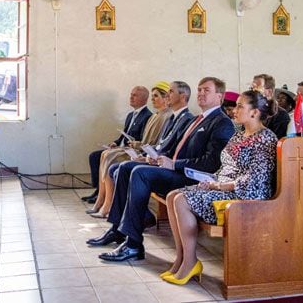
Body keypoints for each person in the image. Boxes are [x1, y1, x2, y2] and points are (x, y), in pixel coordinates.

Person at [91, 77, 234, 262]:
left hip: (195, 179)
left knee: (139, 173)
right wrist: (159, 159)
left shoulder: (222, 122)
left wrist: (174, 164)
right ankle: (118, 230)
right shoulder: (199, 119)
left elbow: (212, 162)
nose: (200, 94)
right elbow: (175, 147)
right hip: (179, 170)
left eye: (206, 90)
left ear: (220, 97)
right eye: (199, 90)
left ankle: (133, 245)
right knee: (126, 167)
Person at [162, 90, 278, 285]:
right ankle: (182, 258)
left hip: (245, 197)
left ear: (255, 112)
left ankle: (190, 262)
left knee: (182, 200)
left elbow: (255, 180)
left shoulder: (265, 139)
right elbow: (225, 167)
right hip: (223, 186)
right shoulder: (239, 135)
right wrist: (210, 181)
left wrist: (219, 185)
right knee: (172, 196)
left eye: (241, 106)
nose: (234, 110)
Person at [88, 81, 172, 217]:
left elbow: (157, 143)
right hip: (141, 150)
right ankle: (101, 200)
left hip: (148, 154)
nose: (153, 99)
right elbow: (145, 140)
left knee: (111, 160)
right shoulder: (156, 115)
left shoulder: (166, 116)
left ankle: (107, 205)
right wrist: (136, 144)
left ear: (166, 98)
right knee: (105, 154)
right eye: (152, 96)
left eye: (156, 96)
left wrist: (139, 148)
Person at [81, 86, 153, 203]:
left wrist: (129, 145)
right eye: (131, 94)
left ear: (144, 99)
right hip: (120, 148)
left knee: (106, 156)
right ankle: (99, 190)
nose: (131, 97)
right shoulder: (131, 115)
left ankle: (103, 195)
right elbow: (124, 135)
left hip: (131, 150)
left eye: (135, 95)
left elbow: (142, 139)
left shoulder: (147, 116)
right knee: (94, 156)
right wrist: (115, 143)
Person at [252, 74, 289, 138]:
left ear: (269, 92)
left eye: (257, 89)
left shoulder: (281, 114)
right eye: (252, 88)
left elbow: (277, 141)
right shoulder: (251, 111)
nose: (252, 92)